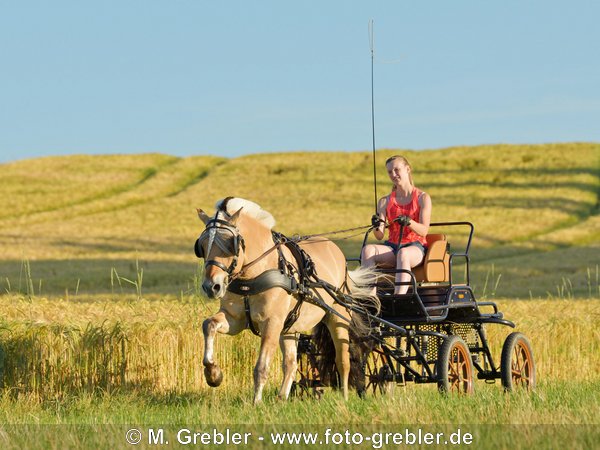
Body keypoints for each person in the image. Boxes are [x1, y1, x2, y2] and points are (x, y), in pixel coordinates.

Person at [361, 155, 432, 295]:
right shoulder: (384, 201)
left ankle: (399, 297)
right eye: (389, 172)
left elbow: (423, 231)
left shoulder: (422, 198)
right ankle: (370, 297)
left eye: (396, 170)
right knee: (367, 250)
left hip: (415, 247)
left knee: (403, 253)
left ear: (407, 169)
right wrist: (376, 225)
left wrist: (409, 221)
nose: (393, 174)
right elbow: (379, 235)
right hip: (392, 246)